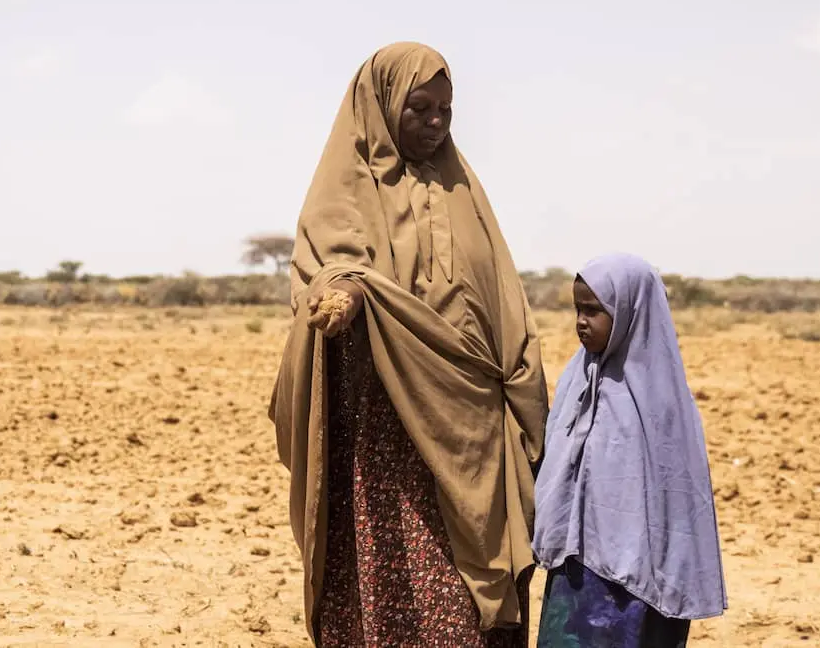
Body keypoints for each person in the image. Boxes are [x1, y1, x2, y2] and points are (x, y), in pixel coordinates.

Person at [266, 42, 550, 647]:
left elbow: (500, 294)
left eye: (445, 109)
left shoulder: (463, 190)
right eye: (420, 108)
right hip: (389, 429)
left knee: (471, 585)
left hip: (472, 427)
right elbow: (328, 264)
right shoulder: (346, 186)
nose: (436, 123)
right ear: (384, 104)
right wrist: (342, 295)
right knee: (396, 574)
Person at [531, 253, 727, 647]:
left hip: (634, 584)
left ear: (629, 312)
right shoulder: (578, 379)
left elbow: (676, 500)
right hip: (576, 571)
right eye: (577, 310)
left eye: (593, 311)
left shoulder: (661, 400)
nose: (581, 321)